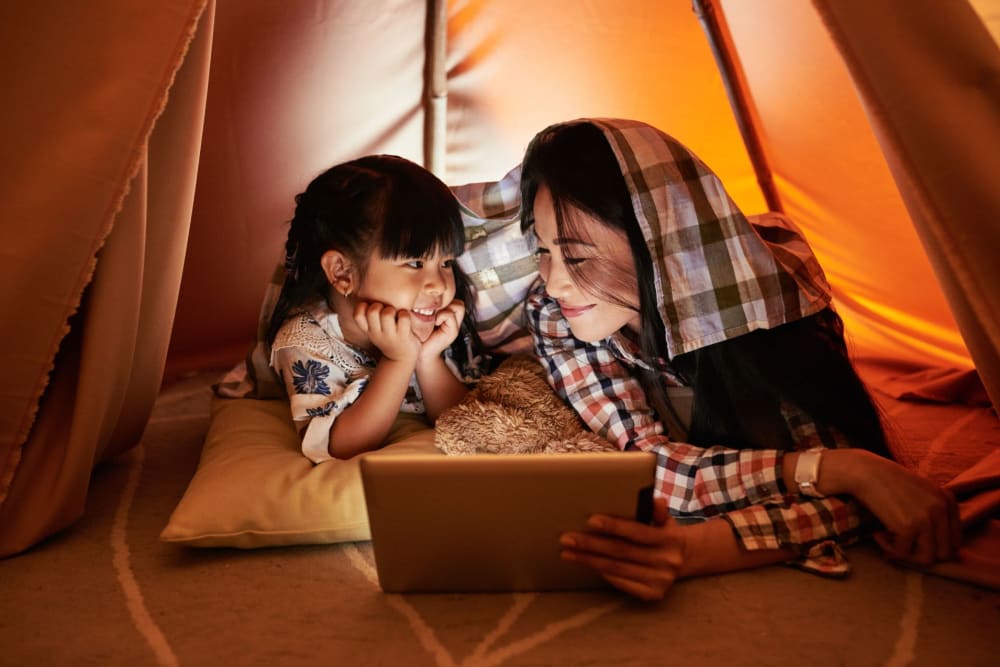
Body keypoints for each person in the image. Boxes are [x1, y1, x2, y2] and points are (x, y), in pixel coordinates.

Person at [519, 118, 961, 600]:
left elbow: (874, 494)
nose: (553, 281)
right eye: (543, 252)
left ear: (658, 245)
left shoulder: (768, 308)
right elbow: (648, 466)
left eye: (578, 258)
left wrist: (694, 548)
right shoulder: (554, 314)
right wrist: (844, 470)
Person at [266, 155, 481, 463]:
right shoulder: (306, 340)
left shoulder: (434, 319)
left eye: (445, 263)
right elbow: (341, 446)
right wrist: (399, 360)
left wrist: (427, 358)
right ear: (342, 272)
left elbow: (467, 423)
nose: (439, 285)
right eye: (415, 263)